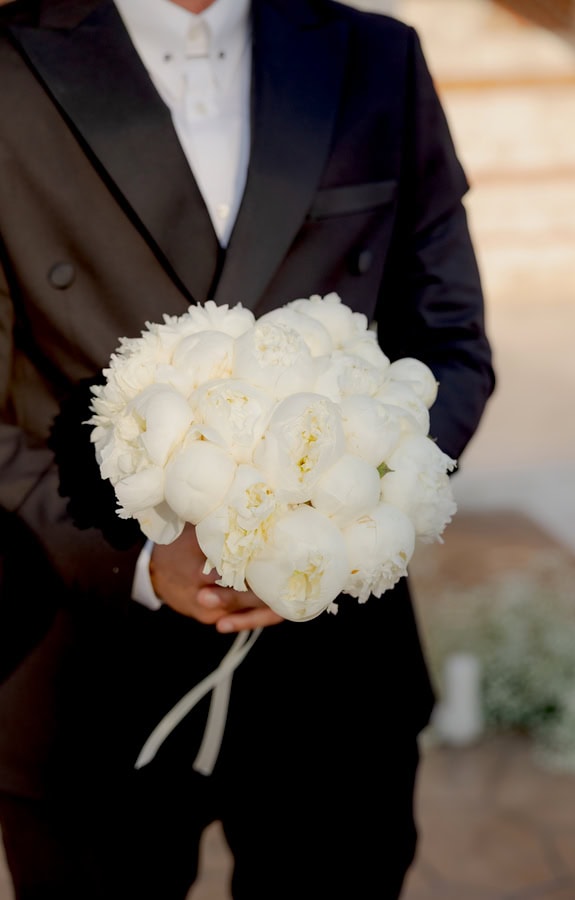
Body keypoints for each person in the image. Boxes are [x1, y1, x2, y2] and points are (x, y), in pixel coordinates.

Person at [0, 0, 495, 897]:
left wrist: (344, 517)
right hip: (87, 661)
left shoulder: (375, 58)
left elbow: (449, 341)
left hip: (334, 668)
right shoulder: (8, 67)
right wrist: (145, 561)